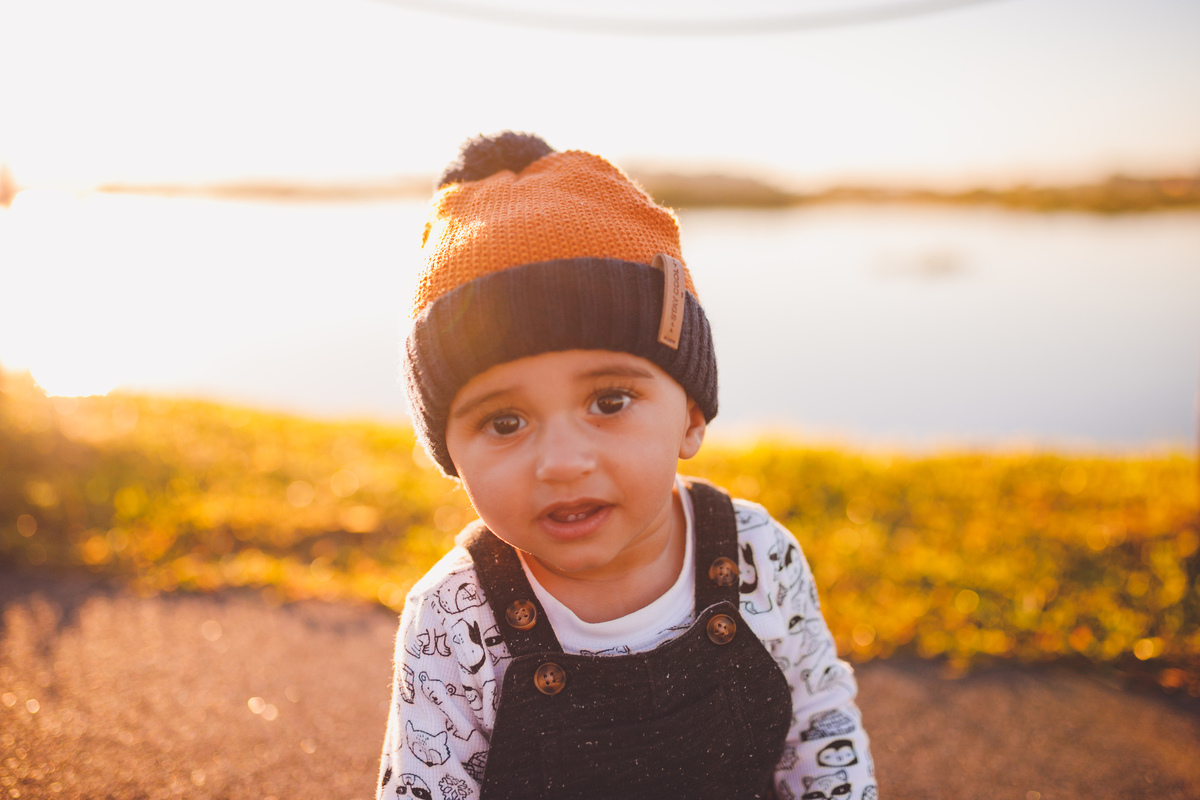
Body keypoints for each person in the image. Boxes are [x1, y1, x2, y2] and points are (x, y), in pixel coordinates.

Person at [378, 131, 876, 800]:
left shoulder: (759, 555)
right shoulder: (453, 615)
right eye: (504, 423)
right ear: (450, 456)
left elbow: (819, 731)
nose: (561, 462)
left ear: (693, 415)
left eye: (609, 401)